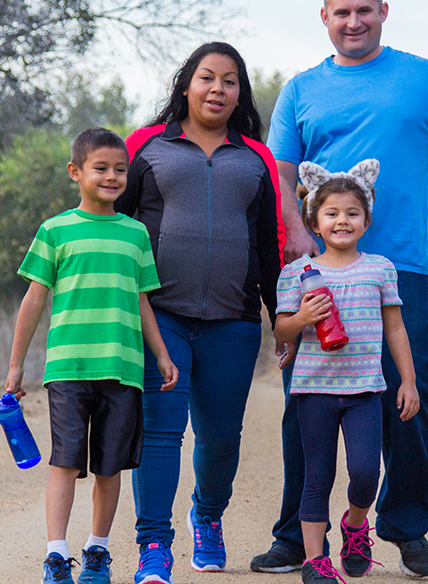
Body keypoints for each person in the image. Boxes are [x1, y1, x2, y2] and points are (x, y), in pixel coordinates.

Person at [250, 0, 428, 579]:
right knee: (306, 399)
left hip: (401, 266)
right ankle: (294, 536)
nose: (353, 22)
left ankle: (405, 527)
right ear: (324, 17)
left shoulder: (425, 77)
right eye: (341, 13)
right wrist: (298, 238)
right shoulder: (302, 88)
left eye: (364, 11)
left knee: (409, 394)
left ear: (383, 10)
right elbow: (280, 172)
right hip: (320, 271)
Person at [114, 42, 287, 584]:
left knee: (219, 437)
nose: (218, 89)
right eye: (207, 77)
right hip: (159, 317)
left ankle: (207, 517)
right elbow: (111, 227)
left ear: (241, 93)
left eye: (230, 80)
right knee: (162, 434)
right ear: (185, 84)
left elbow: (269, 245)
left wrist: (280, 319)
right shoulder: (145, 147)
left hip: (233, 323)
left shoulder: (255, 156)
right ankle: (152, 545)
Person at [5, 127, 178, 584]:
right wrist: (16, 364)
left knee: (109, 464)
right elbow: (33, 300)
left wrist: (160, 354)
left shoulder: (136, 233)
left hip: (122, 369)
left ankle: (97, 551)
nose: (112, 176)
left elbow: (142, 301)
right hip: (67, 367)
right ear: (75, 172)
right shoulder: (55, 231)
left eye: (120, 169)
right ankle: (57, 555)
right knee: (65, 460)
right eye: (101, 168)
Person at [275, 159, 420, 583]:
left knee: (365, 473)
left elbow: (395, 327)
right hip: (313, 390)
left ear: (367, 219)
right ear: (314, 222)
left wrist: (408, 381)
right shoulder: (297, 273)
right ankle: (314, 561)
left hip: (364, 391)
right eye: (332, 213)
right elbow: (282, 330)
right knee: (317, 474)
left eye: (352, 213)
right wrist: (302, 318)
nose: (343, 220)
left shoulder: (380, 269)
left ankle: (356, 526)